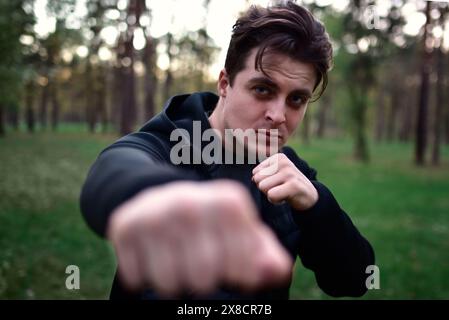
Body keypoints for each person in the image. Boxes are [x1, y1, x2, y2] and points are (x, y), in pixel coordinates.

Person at [80, 1, 375, 300]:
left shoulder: (293, 175)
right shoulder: (170, 142)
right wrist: (161, 195)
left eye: (296, 99)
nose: (279, 115)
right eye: (263, 89)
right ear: (225, 83)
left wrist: (316, 203)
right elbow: (114, 168)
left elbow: (354, 280)